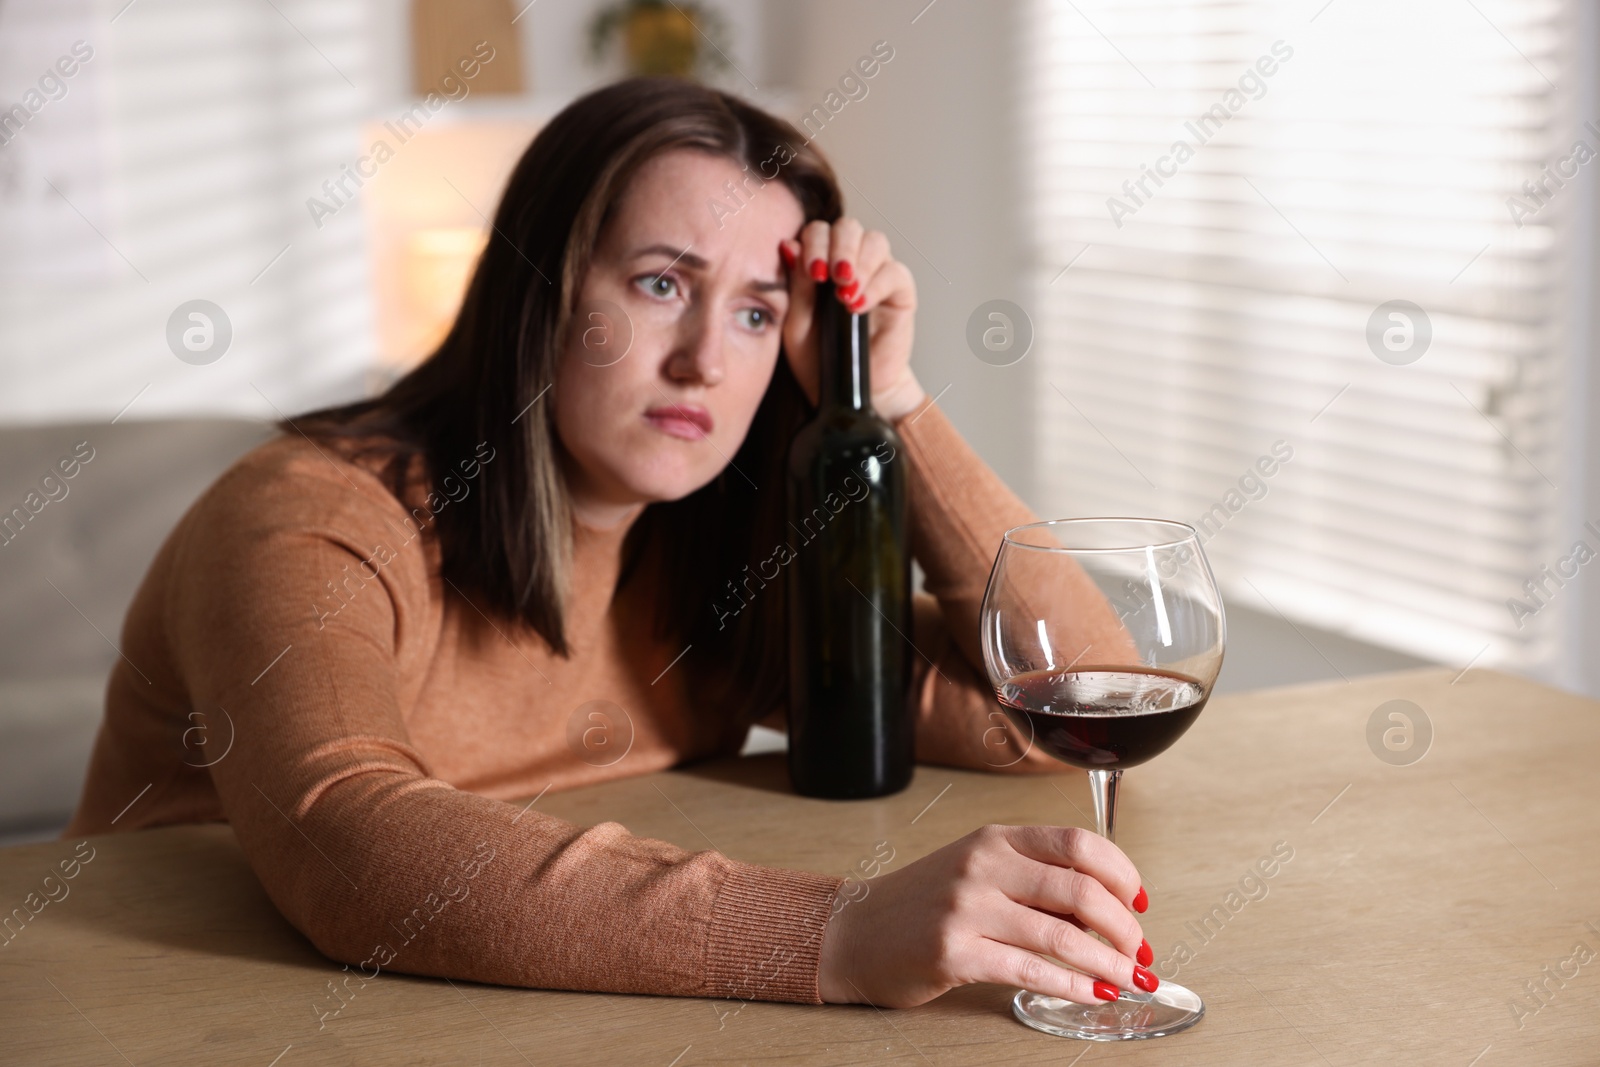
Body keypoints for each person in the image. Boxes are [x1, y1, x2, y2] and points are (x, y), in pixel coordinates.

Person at [65, 76, 1156, 1012]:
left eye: (754, 312)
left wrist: (886, 395)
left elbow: (1065, 708)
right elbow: (345, 842)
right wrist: (839, 930)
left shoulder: (717, 556)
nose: (703, 363)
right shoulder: (306, 517)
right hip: (186, 1009)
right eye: (661, 283)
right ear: (540, 294)